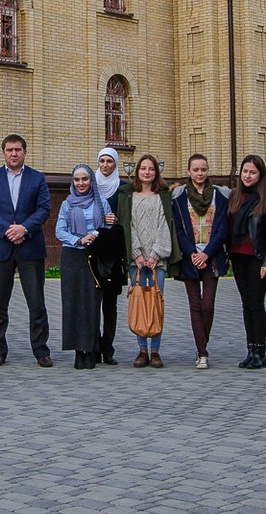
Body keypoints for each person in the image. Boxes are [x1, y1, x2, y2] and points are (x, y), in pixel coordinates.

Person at [0, 134, 53, 367]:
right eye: (9, 150)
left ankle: (41, 351)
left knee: (37, 303)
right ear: (3, 153)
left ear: (24, 152)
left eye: (18, 150)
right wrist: (7, 229)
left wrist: (25, 228)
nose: (13, 153)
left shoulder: (37, 178)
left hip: (30, 247)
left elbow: (44, 208)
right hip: (0, 248)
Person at [114, 153, 178, 367]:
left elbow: (165, 224)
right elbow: (126, 225)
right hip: (137, 261)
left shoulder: (163, 196)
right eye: (143, 168)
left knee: (156, 304)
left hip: (156, 261)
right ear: (137, 172)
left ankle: (156, 351)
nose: (147, 172)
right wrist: (137, 254)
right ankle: (142, 350)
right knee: (140, 302)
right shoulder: (128, 195)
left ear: (156, 172)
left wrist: (155, 254)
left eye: (151, 169)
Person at [171, 153, 230, 369]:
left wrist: (207, 253)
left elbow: (223, 228)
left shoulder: (219, 197)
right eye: (195, 169)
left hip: (212, 257)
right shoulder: (179, 200)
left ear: (208, 171)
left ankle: (202, 342)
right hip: (190, 258)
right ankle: (202, 351)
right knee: (195, 305)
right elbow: (178, 230)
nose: (200, 173)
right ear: (189, 171)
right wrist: (192, 253)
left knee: (208, 305)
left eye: (203, 169)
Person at [55, 164, 110, 368]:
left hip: (95, 258)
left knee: (91, 304)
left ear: (91, 181)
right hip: (72, 257)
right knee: (73, 305)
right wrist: (78, 240)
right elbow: (59, 231)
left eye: (84, 179)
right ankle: (80, 352)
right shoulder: (67, 204)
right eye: (77, 180)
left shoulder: (102, 203)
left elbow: (107, 228)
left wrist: (94, 235)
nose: (80, 183)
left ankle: (93, 349)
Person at [226, 154, 266, 369]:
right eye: (245, 172)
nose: (247, 176)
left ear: (260, 175)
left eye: (252, 172)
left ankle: (260, 352)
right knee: (246, 304)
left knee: (256, 304)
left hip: (257, 258)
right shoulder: (235, 196)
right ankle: (250, 350)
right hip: (238, 257)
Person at [89, 148, 127, 364]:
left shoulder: (122, 189)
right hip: (93, 252)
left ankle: (108, 348)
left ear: (115, 164)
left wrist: (117, 218)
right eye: (102, 161)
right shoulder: (89, 185)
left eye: (109, 161)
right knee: (93, 303)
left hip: (112, 253)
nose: (105, 165)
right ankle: (93, 347)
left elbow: (127, 216)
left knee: (110, 306)